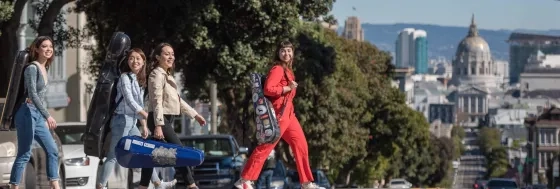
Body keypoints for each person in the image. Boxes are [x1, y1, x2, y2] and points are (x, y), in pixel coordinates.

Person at [234, 41, 324, 189]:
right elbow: (269, 89)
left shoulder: (288, 70)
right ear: (278, 53)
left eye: (289, 51)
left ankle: (306, 183)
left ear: (293, 53)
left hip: (289, 115)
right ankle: (244, 180)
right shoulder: (278, 69)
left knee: (301, 145)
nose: (286, 54)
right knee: (266, 146)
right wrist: (287, 88)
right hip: (279, 115)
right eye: (283, 51)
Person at [96, 48, 176, 189]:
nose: (135, 61)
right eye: (132, 58)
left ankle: (157, 183)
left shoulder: (139, 80)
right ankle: (101, 185)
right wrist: (146, 115)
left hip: (131, 122)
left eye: (138, 58)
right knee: (113, 155)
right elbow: (129, 100)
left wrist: (144, 125)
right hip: (121, 121)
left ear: (143, 61)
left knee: (145, 151)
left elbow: (138, 104)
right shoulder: (124, 78)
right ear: (128, 61)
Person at [139, 42, 207, 189]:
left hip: (165, 120)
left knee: (151, 154)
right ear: (158, 57)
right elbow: (156, 100)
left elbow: (178, 100)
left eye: (172, 54)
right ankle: (192, 185)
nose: (171, 57)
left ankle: (143, 186)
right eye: (166, 54)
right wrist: (158, 125)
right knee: (179, 151)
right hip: (160, 119)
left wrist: (195, 115)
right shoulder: (157, 74)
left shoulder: (167, 75)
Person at [9, 36, 60, 189]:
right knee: (24, 153)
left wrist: (42, 117)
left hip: (36, 114)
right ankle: (14, 186)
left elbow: (41, 97)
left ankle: (55, 185)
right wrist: (48, 115)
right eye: (44, 46)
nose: (48, 49)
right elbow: (32, 94)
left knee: (53, 150)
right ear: (37, 49)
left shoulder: (46, 68)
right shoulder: (32, 68)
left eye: (50, 46)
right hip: (26, 112)